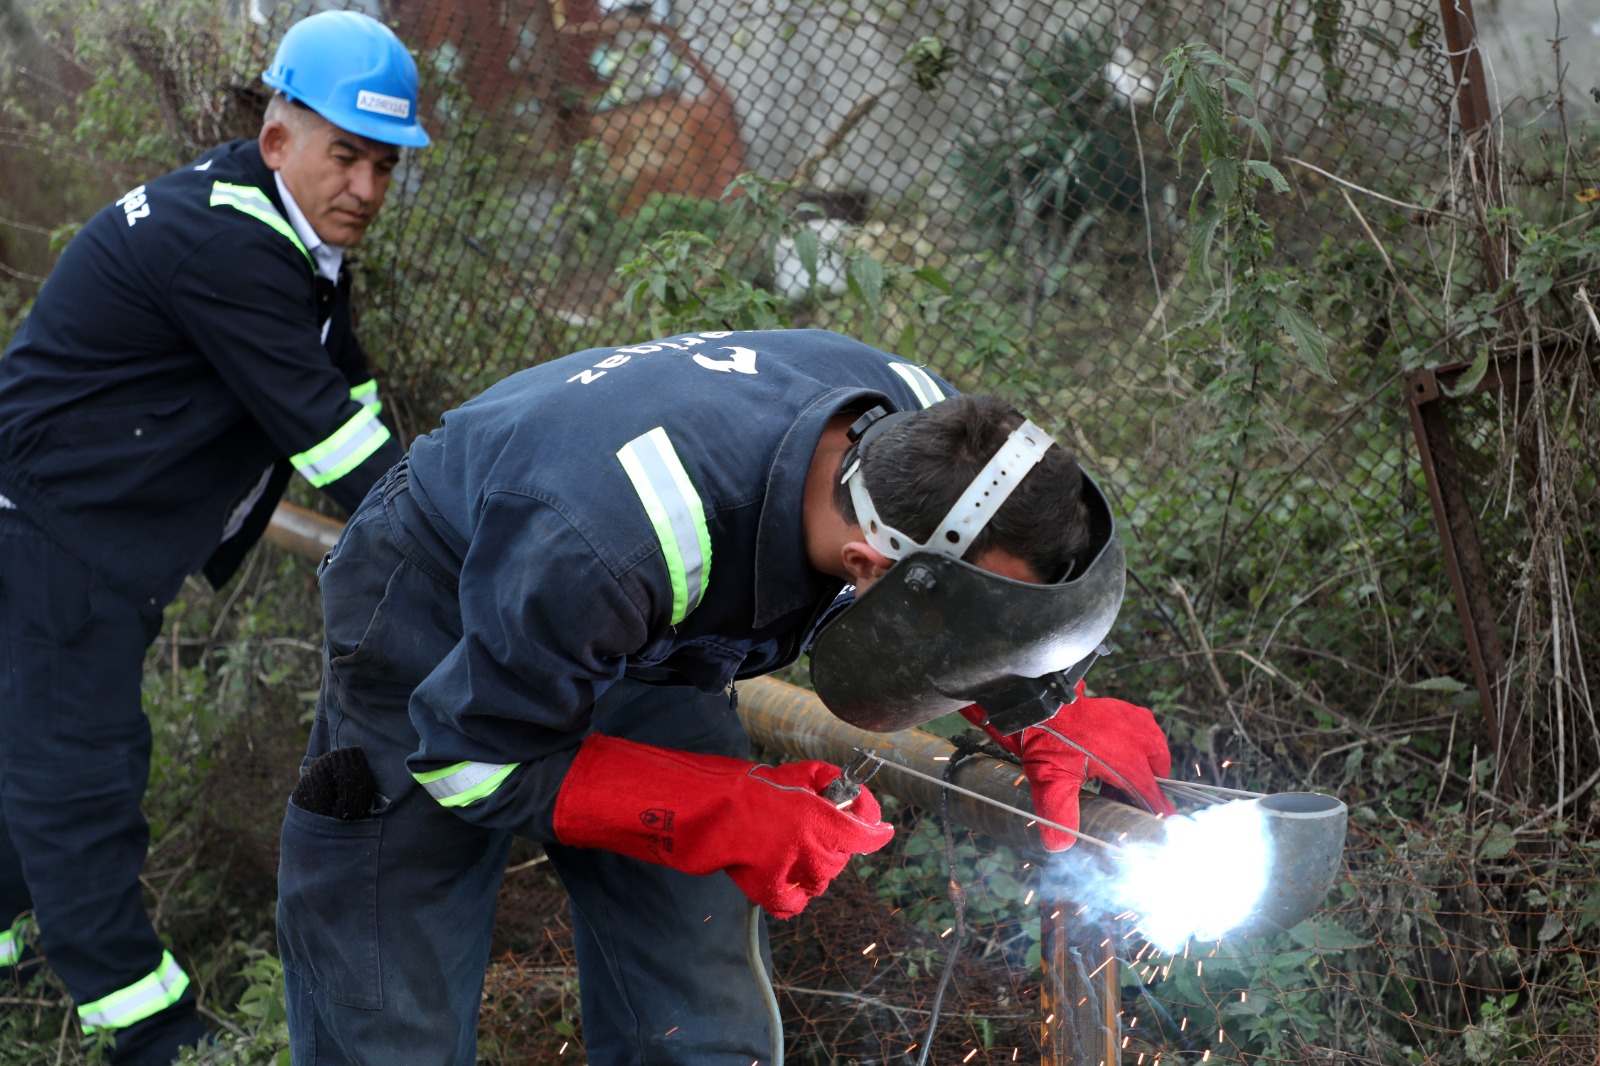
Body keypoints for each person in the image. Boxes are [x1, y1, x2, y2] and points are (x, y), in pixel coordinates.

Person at [276, 326, 1176, 1065]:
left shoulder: (936, 437)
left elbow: (963, 594)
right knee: (392, 1015)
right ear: (867, 568)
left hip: (644, 631)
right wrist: (716, 809)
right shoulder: (619, 539)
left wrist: (1044, 704)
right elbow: (468, 759)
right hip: (445, 613)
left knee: (700, 1016)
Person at [0, 10, 429, 1063]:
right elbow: (336, 447)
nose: (366, 188)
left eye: (384, 166)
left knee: (33, 748)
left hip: (74, 527)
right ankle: (157, 1037)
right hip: (56, 536)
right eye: (347, 156)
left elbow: (355, 391)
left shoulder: (281, 228)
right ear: (279, 137)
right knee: (80, 775)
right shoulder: (228, 245)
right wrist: (466, 542)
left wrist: (438, 481)